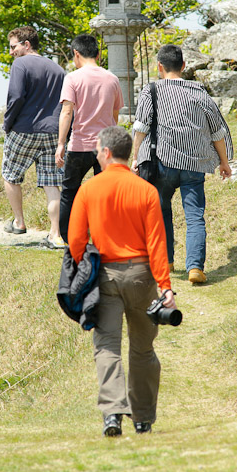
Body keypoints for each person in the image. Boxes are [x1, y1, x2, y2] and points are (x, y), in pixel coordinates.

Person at [68, 126, 176, 437]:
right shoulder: (145, 191)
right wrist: (165, 287)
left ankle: (113, 414)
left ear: (105, 152)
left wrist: (81, 272)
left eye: (97, 151)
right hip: (142, 276)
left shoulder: (90, 189)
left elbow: (76, 241)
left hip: (105, 276)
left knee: (107, 346)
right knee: (142, 349)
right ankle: (143, 418)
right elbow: (158, 244)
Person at [132, 44, 233, 284]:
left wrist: (136, 158)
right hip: (194, 165)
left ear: (159, 66)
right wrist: (224, 162)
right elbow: (217, 131)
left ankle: (166, 261)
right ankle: (195, 267)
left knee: (162, 211)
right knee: (195, 216)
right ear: (184, 66)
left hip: (161, 163)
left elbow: (141, 128)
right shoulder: (200, 92)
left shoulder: (151, 90)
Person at [55, 34, 124, 242]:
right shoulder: (112, 78)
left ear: (76, 54)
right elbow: (115, 115)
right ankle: (105, 236)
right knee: (105, 194)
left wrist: (60, 144)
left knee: (70, 191)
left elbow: (66, 112)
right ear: (98, 53)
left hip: (79, 145)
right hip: (105, 147)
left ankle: (70, 238)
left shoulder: (73, 78)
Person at [2, 25, 66, 248]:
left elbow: (16, 97)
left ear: (26, 44)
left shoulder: (20, 64)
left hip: (24, 129)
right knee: (52, 184)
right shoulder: (58, 69)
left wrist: (7, 123)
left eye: (13, 47)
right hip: (53, 132)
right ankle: (55, 235)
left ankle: (19, 221)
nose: (12, 52)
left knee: (10, 175)